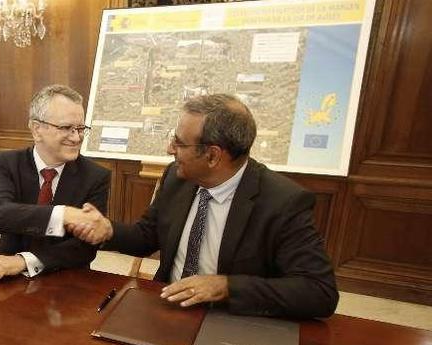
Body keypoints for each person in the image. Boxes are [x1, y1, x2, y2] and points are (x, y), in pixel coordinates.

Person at [71, 94, 338, 319]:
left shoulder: (283, 202)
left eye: (179, 142)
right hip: (167, 308)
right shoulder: (177, 178)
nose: (169, 149)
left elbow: (319, 292)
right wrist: (108, 231)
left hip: (231, 320)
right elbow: (147, 236)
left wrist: (226, 286)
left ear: (212, 155)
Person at [0, 84, 110, 279]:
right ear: (37, 129)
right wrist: (62, 215)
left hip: (65, 276)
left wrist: (23, 261)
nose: (77, 137)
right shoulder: (7, 163)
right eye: (66, 128)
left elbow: (85, 248)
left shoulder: (96, 176)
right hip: (5, 272)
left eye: (81, 128)